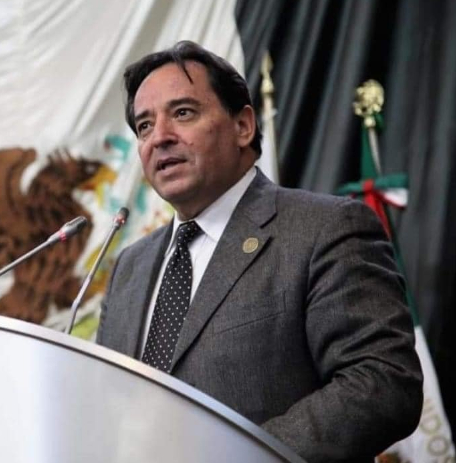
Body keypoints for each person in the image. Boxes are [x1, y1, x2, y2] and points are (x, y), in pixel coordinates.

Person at [96, 41, 422, 462]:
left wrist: (241, 456)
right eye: (144, 125)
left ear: (243, 126)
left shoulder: (323, 228)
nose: (159, 137)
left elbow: (382, 381)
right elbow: (106, 408)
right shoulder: (129, 268)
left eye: (183, 113)